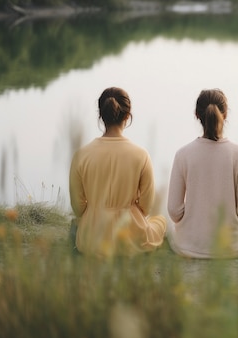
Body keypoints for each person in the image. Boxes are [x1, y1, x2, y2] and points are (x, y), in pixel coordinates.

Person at [69, 87, 166, 257]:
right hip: (131, 236)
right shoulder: (141, 155)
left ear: (101, 116)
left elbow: (78, 208)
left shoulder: (81, 155)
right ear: (127, 116)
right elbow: (146, 207)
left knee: (76, 223)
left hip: (92, 238)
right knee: (160, 221)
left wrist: (96, 211)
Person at [167, 89, 238, 258]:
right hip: (232, 246)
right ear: (225, 115)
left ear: (197, 115)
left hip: (189, 245)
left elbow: (174, 212)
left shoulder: (183, 154)